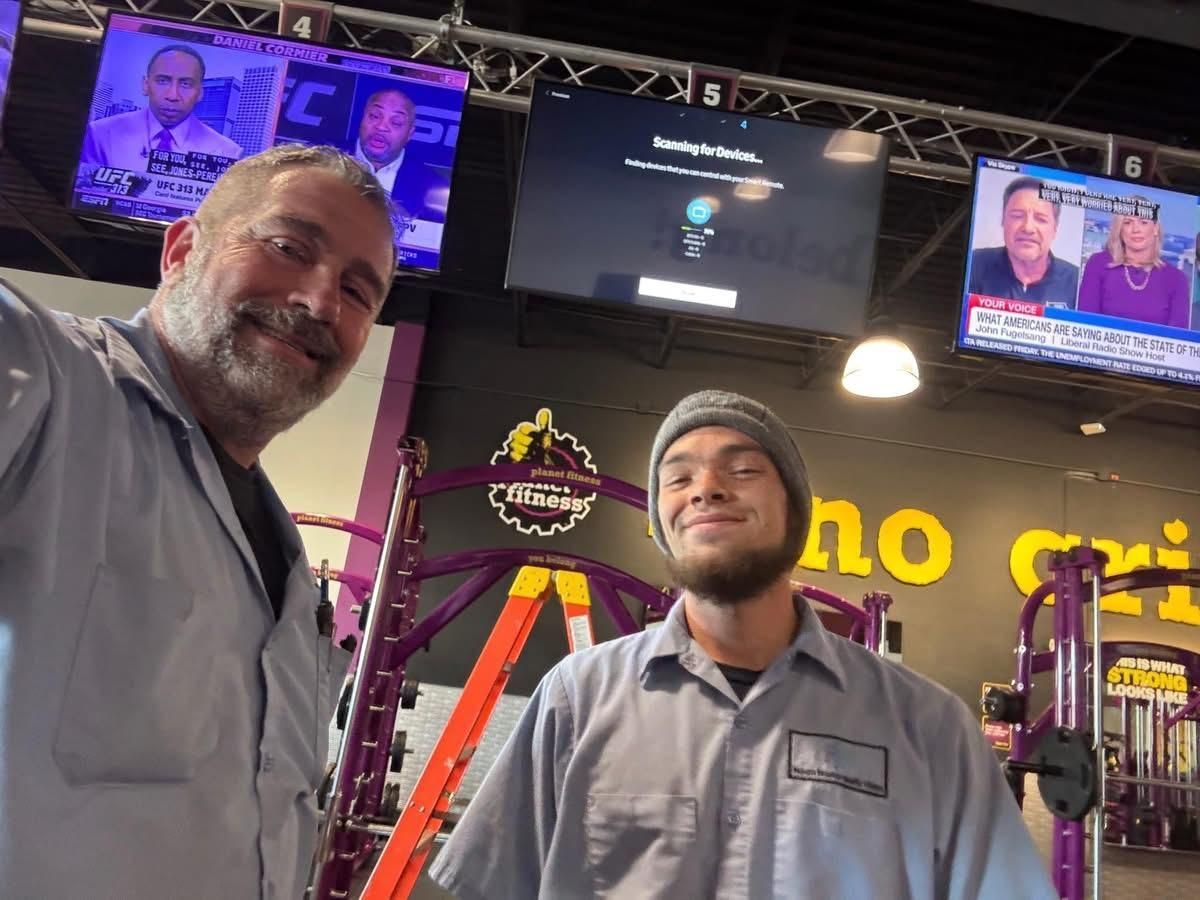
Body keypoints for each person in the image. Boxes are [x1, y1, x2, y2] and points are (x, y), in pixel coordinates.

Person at [428, 390, 1058, 899]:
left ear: (796, 514)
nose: (705, 488)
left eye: (743, 470)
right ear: (661, 525)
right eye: (677, 479)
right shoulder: (576, 700)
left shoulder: (930, 728)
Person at [0, 144, 396, 898]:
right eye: (289, 248)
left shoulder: (277, 553)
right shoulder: (46, 378)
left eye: (357, 290)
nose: (320, 301)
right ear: (181, 250)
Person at [79, 44, 242, 170]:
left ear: (200, 93)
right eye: (162, 81)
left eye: (185, 84)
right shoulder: (100, 134)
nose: (172, 95)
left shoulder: (228, 152)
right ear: (145, 85)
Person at [968, 174, 1079, 305]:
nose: (1028, 228)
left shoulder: (1076, 281)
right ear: (1003, 220)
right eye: (1017, 216)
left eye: (1041, 219)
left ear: (1055, 229)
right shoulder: (974, 263)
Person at [1076, 205, 1190, 328]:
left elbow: (1177, 338)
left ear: (1155, 229)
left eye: (1144, 222)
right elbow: (1086, 323)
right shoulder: (1098, 264)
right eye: (1128, 222)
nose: (1136, 229)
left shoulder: (1176, 279)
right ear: (1120, 229)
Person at [349, 87, 450, 222]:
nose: (381, 127)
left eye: (396, 122)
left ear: (410, 134)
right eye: (374, 116)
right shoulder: (321, 161)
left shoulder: (434, 188)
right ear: (361, 119)